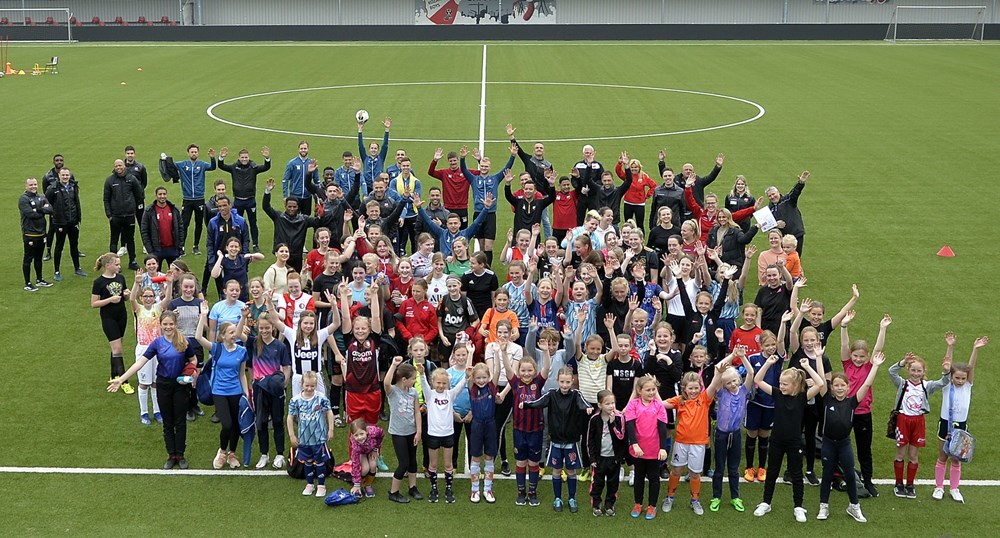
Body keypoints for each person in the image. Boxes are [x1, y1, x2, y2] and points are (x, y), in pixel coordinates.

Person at [108, 311, 196, 469]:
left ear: (176, 324)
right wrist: (121, 379)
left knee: (180, 422)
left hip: (180, 386)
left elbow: (193, 359)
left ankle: (181, 455)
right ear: (160, 325)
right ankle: (171, 455)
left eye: (171, 324)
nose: (168, 327)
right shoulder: (157, 343)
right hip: (163, 385)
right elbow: (140, 363)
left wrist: (190, 372)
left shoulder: (185, 341)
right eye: (165, 324)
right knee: (168, 423)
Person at [752, 354, 826, 523]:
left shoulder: (802, 397)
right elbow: (758, 379)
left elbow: (820, 383)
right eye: (780, 383)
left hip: (794, 442)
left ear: (795, 385)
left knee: (796, 474)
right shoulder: (777, 394)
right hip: (776, 441)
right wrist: (768, 364)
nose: (781, 386)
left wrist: (807, 368)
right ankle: (766, 502)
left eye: (785, 384)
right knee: (772, 472)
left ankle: (798, 506)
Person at [815, 351, 885, 523]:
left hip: (844, 444)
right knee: (827, 474)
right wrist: (818, 358)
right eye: (836, 385)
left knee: (850, 474)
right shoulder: (827, 400)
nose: (839, 388)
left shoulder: (853, 402)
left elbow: (867, 385)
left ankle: (854, 506)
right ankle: (824, 505)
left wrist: (875, 366)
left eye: (842, 386)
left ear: (848, 387)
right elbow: (820, 380)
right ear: (832, 388)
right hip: (828, 444)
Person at [523, 366, 592, 514]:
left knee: (571, 471)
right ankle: (557, 498)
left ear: (572, 381)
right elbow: (539, 402)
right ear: (557, 381)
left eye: (568, 382)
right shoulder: (552, 394)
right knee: (556, 470)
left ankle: (572, 498)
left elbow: (583, 403)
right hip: (555, 442)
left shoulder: (576, 394)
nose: (565, 385)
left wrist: (587, 409)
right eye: (562, 382)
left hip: (571, 442)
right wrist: (527, 405)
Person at [839, 311, 891, 498]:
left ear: (867, 357)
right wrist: (844, 326)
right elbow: (844, 344)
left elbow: (878, 348)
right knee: (840, 444)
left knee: (864, 448)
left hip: (863, 413)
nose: (858, 359)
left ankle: (867, 480)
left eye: (862, 357)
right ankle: (840, 475)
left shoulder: (870, 366)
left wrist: (882, 328)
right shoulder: (847, 365)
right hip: (845, 411)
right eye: (855, 356)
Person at [888, 348, 951, 499]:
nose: (916, 373)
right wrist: (903, 362)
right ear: (908, 370)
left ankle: (910, 484)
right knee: (901, 453)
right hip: (902, 421)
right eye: (913, 370)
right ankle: (898, 483)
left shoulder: (926, 386)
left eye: (919, 371)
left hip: (918, 422)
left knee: (914, 455)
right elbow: (891, 372)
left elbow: (944, 382)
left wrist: (946, 371)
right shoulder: (903, 384)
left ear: (923, 372)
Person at [933, 334, 988, 503]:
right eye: (957, 377)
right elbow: (947, 366)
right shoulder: (947, 384)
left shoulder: (967, 386)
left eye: (963, 378)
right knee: (943, 456)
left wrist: (975, 349)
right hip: (945, 424)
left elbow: (971, 367)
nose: (960, 381)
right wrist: (950, 347)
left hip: (961, 426)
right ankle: (939, 487)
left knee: (957, 459)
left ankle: (955, 488)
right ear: (952, 377)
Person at [194, 307, 249, 469]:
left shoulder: (242, 351)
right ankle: (222, 451)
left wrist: (246, 394)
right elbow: (198, 337)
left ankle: (232, 453)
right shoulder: (217, 349)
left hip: (236, 391)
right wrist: (203, 316)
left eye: (235, 332)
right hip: (219, 392)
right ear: (223, 335)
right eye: (230, 332)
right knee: (227, 424)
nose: (234, 335)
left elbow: (242, 375)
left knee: (236, 425)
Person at [501, 341, 551, 508]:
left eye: (530, 370)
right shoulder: (516, 383)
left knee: (534, 463)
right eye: (523, 370)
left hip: (536, 430)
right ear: (519, 371)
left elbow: (547, 369)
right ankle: (521, 492)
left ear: (534, 371)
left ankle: (532, 492)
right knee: (521, 463)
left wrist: (545, 352)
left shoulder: (539, 382)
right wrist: (503, 352)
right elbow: (508, 369)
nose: (527, 373)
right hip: (519, 430)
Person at [417, 358, 469, 504]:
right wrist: (421, 374)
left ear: (448, 384)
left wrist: (466, 376)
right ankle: (434, 488)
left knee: (448, 465)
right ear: (433, 383)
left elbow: (461, 385)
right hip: (433, 435)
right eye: (438, 383)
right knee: (433, 465)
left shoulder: (450, 394)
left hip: (448, 434)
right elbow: (423, 384)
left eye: (444, 383)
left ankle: (448, 488)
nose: (441, 385)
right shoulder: (430, 395)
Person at [708, 350, 755, 513]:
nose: (733, 384)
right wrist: (732, 354)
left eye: (735, 381)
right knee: (719, 468)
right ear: (724, 385)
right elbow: (717, 369)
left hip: (735, 434)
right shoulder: (721, 393)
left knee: (734, 469)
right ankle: (716, 496)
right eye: (728, 383)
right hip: (721, 434)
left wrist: (741, 356)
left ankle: (735, 497)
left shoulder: (743, 391)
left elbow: (751, 372)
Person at [129, 268, 173, 425]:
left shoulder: (158, 308)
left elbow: (167, 298)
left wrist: (168, 282)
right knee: (144, 383)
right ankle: (144, 412)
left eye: (151, 296)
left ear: (154, 298)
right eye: (145, 296)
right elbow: (132, 299)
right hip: (143, 348)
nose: (148, 299)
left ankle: (157, 411)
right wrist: (137, 282)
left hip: (158, 349)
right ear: (142, 298)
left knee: (155, 382)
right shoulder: (138, 309)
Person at [335, 282, 384, 426]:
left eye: (363, 328)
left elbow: (375, 317)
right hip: (353, 391)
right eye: (357, 328)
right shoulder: (349, 340)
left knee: (371, 428)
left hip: (372, 390)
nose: (360, 331)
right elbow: (345, 317)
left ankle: (373, 450)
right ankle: (354, 450)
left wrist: (374, 295)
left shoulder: (374, 340)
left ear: (369, 330)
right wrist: (343, 295)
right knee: (355, 429)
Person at [460, 143, 517, 265]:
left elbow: (506, 169)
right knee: (481, 245)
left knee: (488, 246)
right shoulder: (474, 179)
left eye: (486, 166)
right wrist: (463, 158)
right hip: (478, 214)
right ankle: (481, 266)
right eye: (482, 166)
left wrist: (513, 156)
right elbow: (464, 170)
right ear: (479, 166)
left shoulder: (495, 178)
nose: (484, 168)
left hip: (490, 214)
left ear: (489, 167)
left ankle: (488, 268)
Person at [248, 313, 291, 470]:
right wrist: (243, 317)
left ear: (273, 328)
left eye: (267, 328)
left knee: (278, 421)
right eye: (261, 328)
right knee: (261, 423)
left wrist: (283, 384)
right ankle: (264, 454)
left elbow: (286, 367)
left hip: (275, 389)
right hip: (260, 389)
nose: (264, 331)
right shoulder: (253, 343)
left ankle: (280, 455)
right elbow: (239, 334)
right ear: (257, 328)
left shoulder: (280, 346)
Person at [624, 375, 670, 520]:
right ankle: (638, 503)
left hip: (654, 450)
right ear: (639, 390)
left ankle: (652, 506)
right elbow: (630, 426)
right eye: (648, 390)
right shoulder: (633, 405)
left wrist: (662, 448)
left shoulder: (659, 406)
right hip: (638, 451)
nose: (651, 393)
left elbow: (663, 428)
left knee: (654, 478)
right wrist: (634, 444)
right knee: (638, 477)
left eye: (653, 390)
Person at [288, 371, 335, 497]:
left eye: (312, 386)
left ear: (316, 385)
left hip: (319, 438)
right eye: (307, 386)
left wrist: (331, 429)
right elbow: (290, 417)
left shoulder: (321, 398)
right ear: (301, 384)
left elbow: (329, 412)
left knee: (319, 461)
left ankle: (321, 485)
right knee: (307, 461)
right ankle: (309, 484)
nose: (309, 388)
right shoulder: (295, 400)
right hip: (304, 438)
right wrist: (292, 435)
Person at [384, 356, 423, 504]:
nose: (415, 381)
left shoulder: (413, 392)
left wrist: (418, 431)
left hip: (411, 432)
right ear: (404, 379)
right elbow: (386, 382)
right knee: (404, 463)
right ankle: (393, 492)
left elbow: (417, 412)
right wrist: (394, 365)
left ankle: (413, 487)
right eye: (413, 378)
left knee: (413, 461)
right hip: (398, 433)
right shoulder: (393, 391)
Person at [91, 252, 132, 392]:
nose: (119, 267)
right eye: (117, 264)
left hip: (122, 315)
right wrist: (110, 300)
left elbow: (124, 295)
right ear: (107, 266)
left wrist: (126, 295)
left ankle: (114, 375)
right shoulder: (99, 282)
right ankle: (124, 381)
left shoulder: (120, 277)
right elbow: (94, 303)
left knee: (117, 347)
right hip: (109, 318)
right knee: (118, 349)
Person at [217, 146, 270, 252]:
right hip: (238, 201)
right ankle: (238, 243)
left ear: (249, 157)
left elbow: (265, 167)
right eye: (242, 157)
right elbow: (221, 166)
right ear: (239, 158)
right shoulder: (234, 167)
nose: (244, 159)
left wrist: (267, 158)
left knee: (253, 223)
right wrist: (221, 157)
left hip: (250, 200)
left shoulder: (253, 168)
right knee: (237, 223)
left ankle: (255, 244)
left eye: (246, 157)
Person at [263, 178, 320, 271]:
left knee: (295, 279)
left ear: (298, 207)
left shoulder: (304, 219)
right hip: (282, 254)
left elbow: (318, 222)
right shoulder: (279, 217)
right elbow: (266, 207)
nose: (292, 209)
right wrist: (267, 191)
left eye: (294, 207)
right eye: (289, 207)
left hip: (297, 256)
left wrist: (320, 212)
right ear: (285, 206)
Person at [170, 144, 217, 256]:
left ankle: (196, 246)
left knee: (199, 224)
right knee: (184, 224)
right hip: (187, 199)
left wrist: (212, 157)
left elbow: (213, 167)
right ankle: (181, 246)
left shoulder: (202, 164)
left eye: (195, 152)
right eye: (192, 152)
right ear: (188, 153)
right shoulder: (182, 164)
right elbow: (171, 165)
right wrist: (165, 159)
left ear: (198, 153)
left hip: (199, 199)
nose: (194, 153)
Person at [586, 390, 626, 517]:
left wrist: (613, 423)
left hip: (614, 458)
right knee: (597, 483)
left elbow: (622, 437)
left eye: (613, 403)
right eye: (607, 403)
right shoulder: (594, 419)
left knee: (613, 483)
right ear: (600, 405)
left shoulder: (619, 417)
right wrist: (592, 458)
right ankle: (596, 504)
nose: (611, 406)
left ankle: (609, 505)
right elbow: (590, 440)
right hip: (599, 459)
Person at [204, 196, 250, 300]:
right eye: (220, 206)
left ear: (230, 205)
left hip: (237, 260)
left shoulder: (241, 221)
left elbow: (246, 240)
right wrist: (212, 262)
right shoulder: (213, 222)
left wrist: (244, 258)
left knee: (241, 289)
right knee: (223, 291)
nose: (222, 208)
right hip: (221, 261)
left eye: (225, 205)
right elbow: (210, 244)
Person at [45, 168, 86, 281]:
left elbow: (75, 202)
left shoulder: (73, 187)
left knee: (74, 245)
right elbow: (47, 204)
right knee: (59, 246)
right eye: (63, 175)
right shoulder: (52, 189)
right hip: (60, 223)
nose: (65, 177)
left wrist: (78, 219)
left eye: (67, 175)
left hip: (73, 222)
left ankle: (77, 268)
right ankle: (57, 271)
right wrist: (55, 217)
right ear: (59, 176)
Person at [104, 159, 144, 271]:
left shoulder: (131, 179)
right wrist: (109, 214)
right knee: (114, 240)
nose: (118, 168)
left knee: (130, 239)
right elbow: (106, 199)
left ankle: (132, 261)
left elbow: (139, 194)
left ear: (124, 166)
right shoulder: (110, 180)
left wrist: (133, 209)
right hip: (115, 216)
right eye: (116, 166)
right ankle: (112, 264)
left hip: (129, 215)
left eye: (120, 165)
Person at [661, 151, 724, 216]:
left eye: (690, 170)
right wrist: (661, 162)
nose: (688, 171)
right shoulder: (676, 180)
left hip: (695, 212)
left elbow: (711, 177)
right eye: (686, 169)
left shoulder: (698, 181)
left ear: (693, 172)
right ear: (682, 171)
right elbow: (666, 177)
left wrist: (718, 166)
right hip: (680, 211)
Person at [20, 177, 54, 291]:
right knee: (28, 259)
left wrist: (37, 209)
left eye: (35, 184)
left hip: (41, 233)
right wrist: (41, 209)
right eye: (31, 185)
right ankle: (27, 283)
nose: (33, 186)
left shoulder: (41, 197)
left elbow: (50, 209)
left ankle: (39, 280)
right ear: (26, 186)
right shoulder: (23, 199)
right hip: (30, 234)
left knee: (38, 258)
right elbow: (31, 214)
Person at [766, 170, 810, 256]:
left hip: (795, 234)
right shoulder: (769, 208)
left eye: (773, 194)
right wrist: (775, 224)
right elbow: (765, 225)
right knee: (783, 258)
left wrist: (801, 182)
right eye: (769, 196)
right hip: (782, 238)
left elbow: (795, 192)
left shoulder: (788, 200)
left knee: (795, 258)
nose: (772, 197)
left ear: (778, 192)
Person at [140, 186, 184, 269]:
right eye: (160, 194)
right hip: (157, 249)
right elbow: (144, 231)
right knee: (155, 274)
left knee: (175, 274)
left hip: (172, 248)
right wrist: (150, 249)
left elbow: (180, 228)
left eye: (164, 194)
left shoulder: (174, 209)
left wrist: (180, 246)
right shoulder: (149, 211)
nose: (162, 196)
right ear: (156, 196)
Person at [428, 148, 472, 229]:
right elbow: (431, 172)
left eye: (454, 160)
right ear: (448, 162)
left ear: (458, 161)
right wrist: (435, 160)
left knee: (463, 233)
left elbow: (482, 172)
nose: (453, 163)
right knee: (447, 231)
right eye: (451, 161)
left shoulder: (466, 173)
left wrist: (480, 160)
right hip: (448, 208)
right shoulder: (444, 173)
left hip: (462, 208)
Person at [389, 156, 421, 255]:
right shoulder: (394, 181)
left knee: (414, 239)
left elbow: (416, 196)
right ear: (400, 167)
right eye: (404, 166)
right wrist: (407, 196)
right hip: (399, 215)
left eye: (407, 165)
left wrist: (403, 197)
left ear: (410, 166)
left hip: (412, 214)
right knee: (398, 240)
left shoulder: (416, 181)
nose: (406, 168)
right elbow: (393, 198)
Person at [281, 141, 318, 218]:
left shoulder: (311, 163)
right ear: (298, 150)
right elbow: (285, 180)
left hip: (307, 197)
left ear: (308, 149)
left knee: (305, 220)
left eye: (305, 148)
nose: (303, 150)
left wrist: (318, 196)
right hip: (295, 196)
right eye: (301, 148)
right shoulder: (292, 163)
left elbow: (316, 180)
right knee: (293, 218)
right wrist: (285, 196)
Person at [348, 419, 384, 498]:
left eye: (361, 434)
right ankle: (361, 484)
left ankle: (368, 485)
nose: (360, 437)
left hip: (371, 450)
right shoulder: (355, 447)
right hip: (362, 452)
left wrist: (375, 449)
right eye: (356, 435)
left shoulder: (374, 431)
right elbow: (355, 464)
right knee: (365, 469)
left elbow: (381, 434)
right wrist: (356, 484)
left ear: (366, 431)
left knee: (373, 465)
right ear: (352, 435)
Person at [358, 116, 392, 195]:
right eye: (372, 148)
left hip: (379, 185)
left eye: (375, 148)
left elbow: (385, 146)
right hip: (368, 186)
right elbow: (361, 146)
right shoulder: (365, 158)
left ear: (378, 150)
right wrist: (360, 130)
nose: (373, 150)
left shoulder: (381, 158)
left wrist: (387, 130)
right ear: (369, 149)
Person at [123, 146, 149, 228]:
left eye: (131, 153)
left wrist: (139, 191)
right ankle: (128, 240)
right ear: (125, 154)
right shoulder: (121, 167)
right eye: (128, 153)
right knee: (127, 223)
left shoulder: (140, 167)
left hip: (138, 199)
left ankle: (145, 239)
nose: (130, 155)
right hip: (126, 199)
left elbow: (144, 182)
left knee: (142, 221)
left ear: (134, 154)